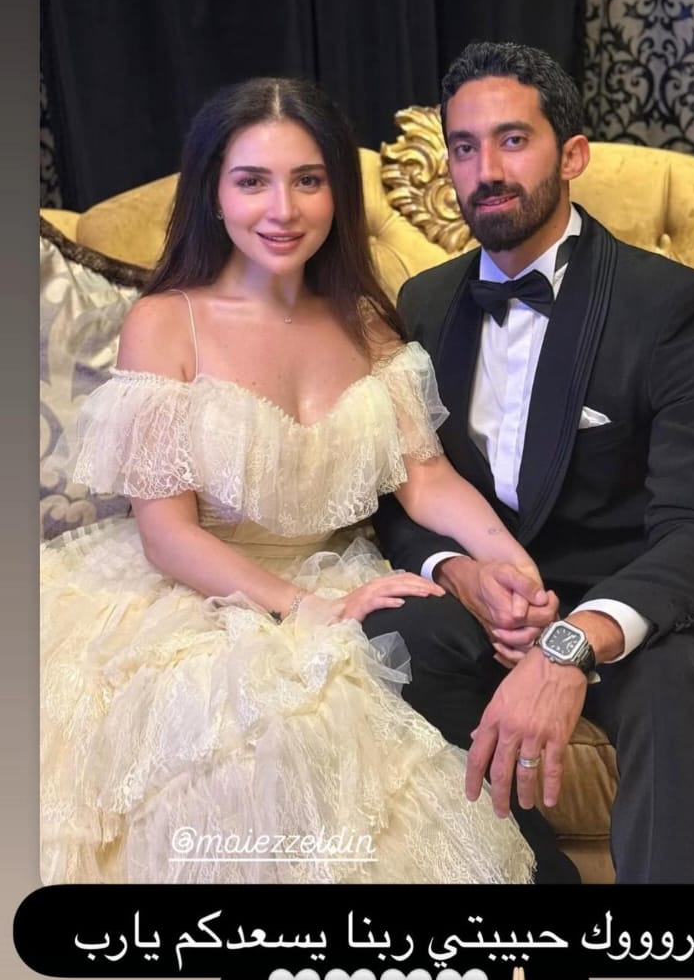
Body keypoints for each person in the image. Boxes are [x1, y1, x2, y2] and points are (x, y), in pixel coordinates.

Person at [40, 75, 576, 887]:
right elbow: (168, 535)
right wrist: (307, 608)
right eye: (252, 181)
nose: (282, 210)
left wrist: (513, 564)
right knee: (265, 749)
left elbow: (425, 480)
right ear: (213, 193)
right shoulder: (166, 322)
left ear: (338, 194)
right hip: (202, 592)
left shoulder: (366, 320)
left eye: (308, 180)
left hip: (337, 571)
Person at [373, 40, 694, 884]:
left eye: (513, 140)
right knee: (394, 638)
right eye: (465, 146)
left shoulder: (673, 306)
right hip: (492, 608)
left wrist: (567, 648)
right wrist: (456, 572)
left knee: (672, 681)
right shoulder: (425, 303)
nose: (486, 170)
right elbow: (402, 500)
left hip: (642, 605)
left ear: (573, 155)